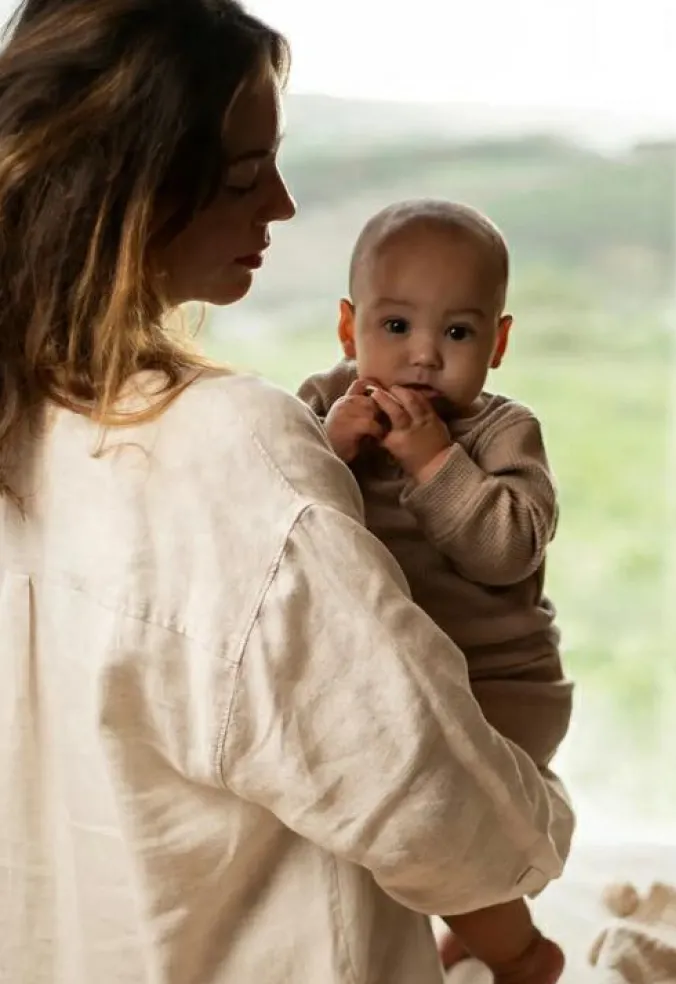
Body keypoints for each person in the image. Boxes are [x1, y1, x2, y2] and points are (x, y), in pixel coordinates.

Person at [0, 2, 574, 983]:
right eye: (243, 175)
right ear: (134, 193)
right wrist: (532, 844)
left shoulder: (29, 420)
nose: (283, 204)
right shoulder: (235, 448)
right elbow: (424, 792)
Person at [298, 199, 574, 984]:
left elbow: (508, 549)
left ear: (498, 343)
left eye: (457, 333)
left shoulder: (501, 434)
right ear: (349, 328)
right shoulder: (323, 406)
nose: (423, 356)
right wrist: (328, 452)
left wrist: (433, 464)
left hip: (497, 686)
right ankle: (465, 933)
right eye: (396, 327)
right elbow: (281, 515)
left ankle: (522, 956)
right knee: (393, 827)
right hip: (392, 681)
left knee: (432, 830)